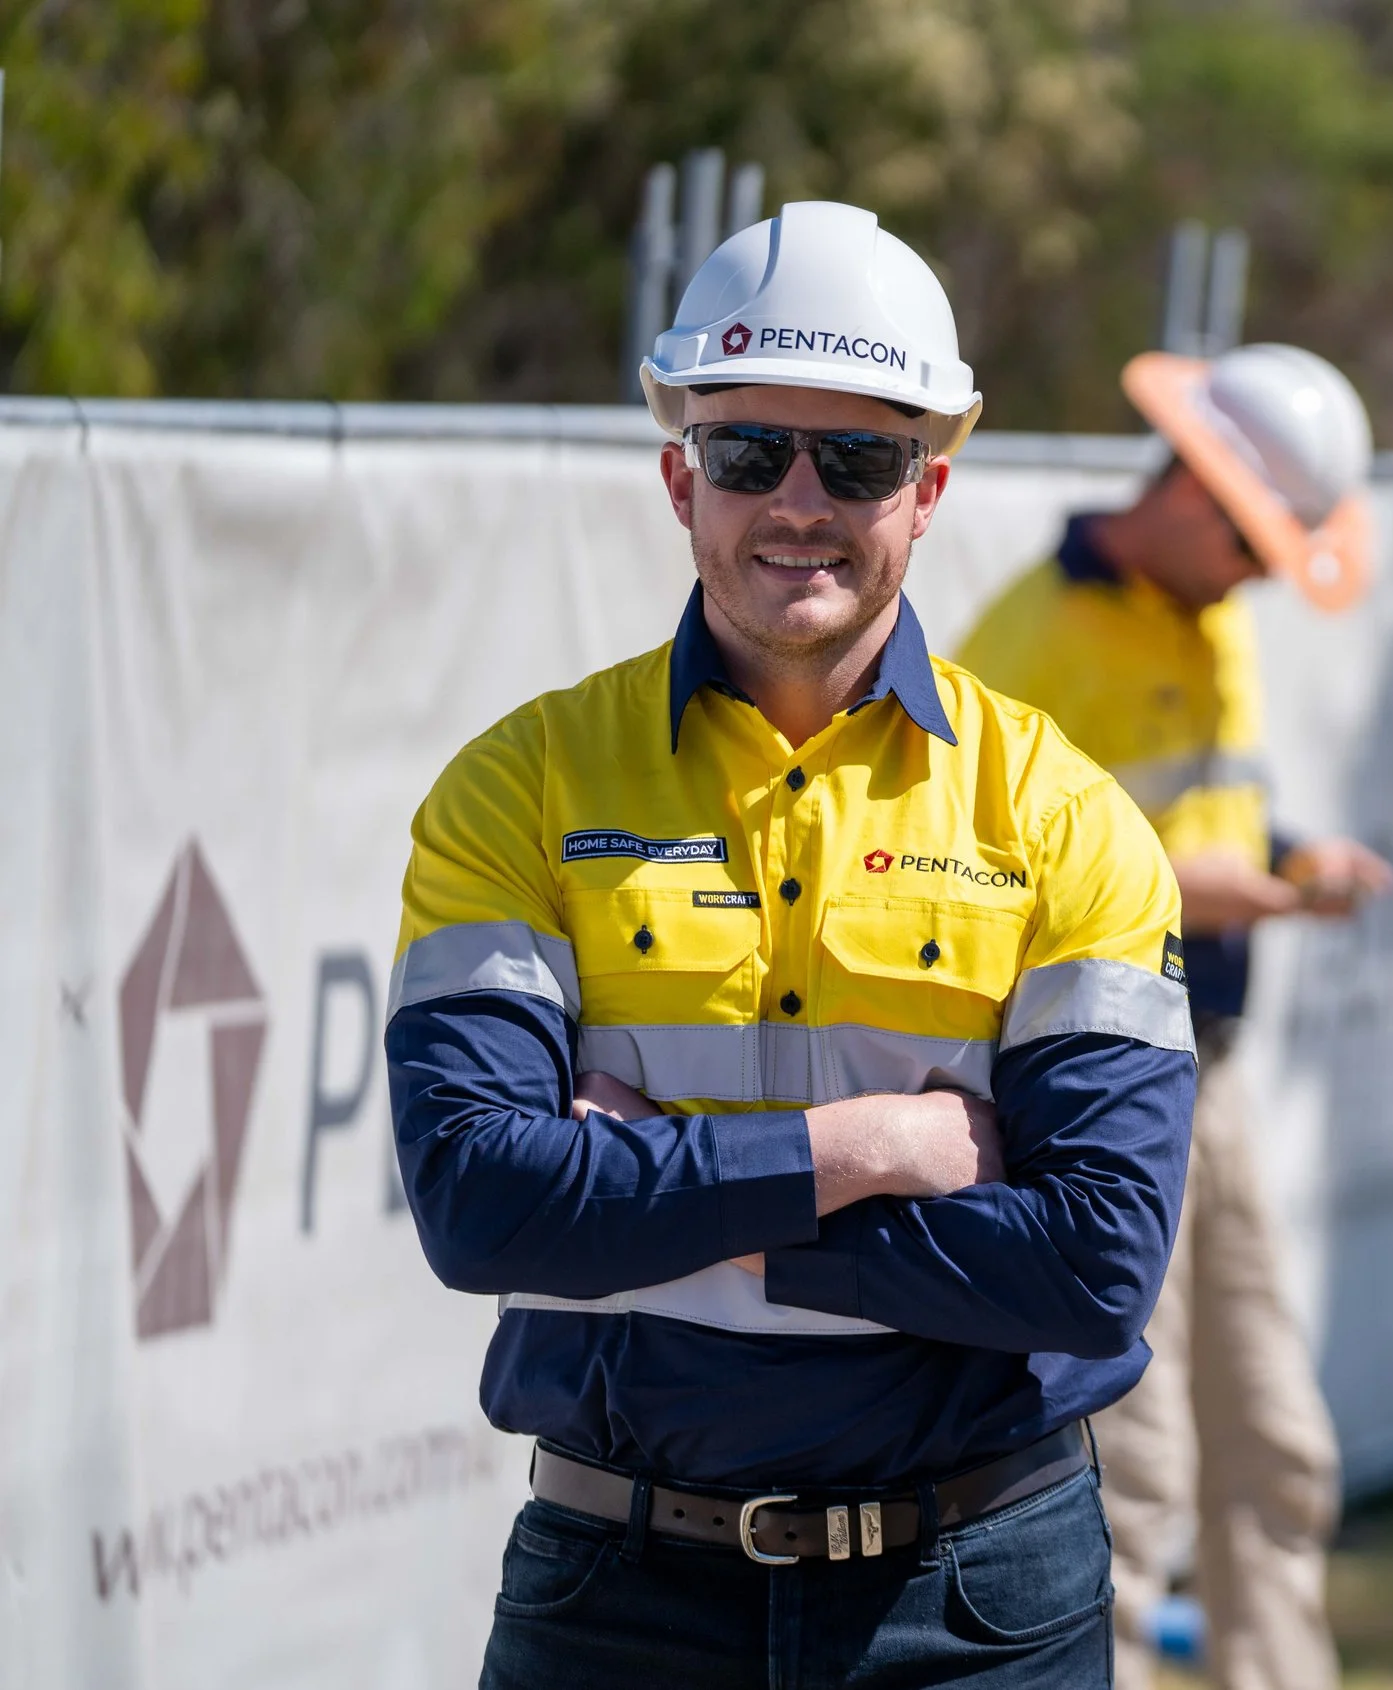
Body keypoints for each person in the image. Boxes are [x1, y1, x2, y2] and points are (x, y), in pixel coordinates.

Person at [384, 200, 1197, 1687]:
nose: (800, 502)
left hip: (978, 1603)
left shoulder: (1067, 816)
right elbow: (484, 1207)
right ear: (680, 475)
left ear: (931, 486)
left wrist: (671, 1190)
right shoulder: (521, 785)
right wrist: (871, 1140)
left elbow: (1092, 1266)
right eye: (754, 451)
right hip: (616, 1593)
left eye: (861, 457)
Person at [955, 342, 1393, 1690]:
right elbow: (966, 881)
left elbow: (1216, 816)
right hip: (1084, 1092)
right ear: (1201, 500)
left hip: (1213, 1070)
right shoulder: (1033, 636)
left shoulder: (1208, 615)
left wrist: (1294, 853)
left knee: (1275, 1440)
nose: (1264, 574)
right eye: (1257, 546)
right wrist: (1176, 888)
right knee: (1131, 1469)